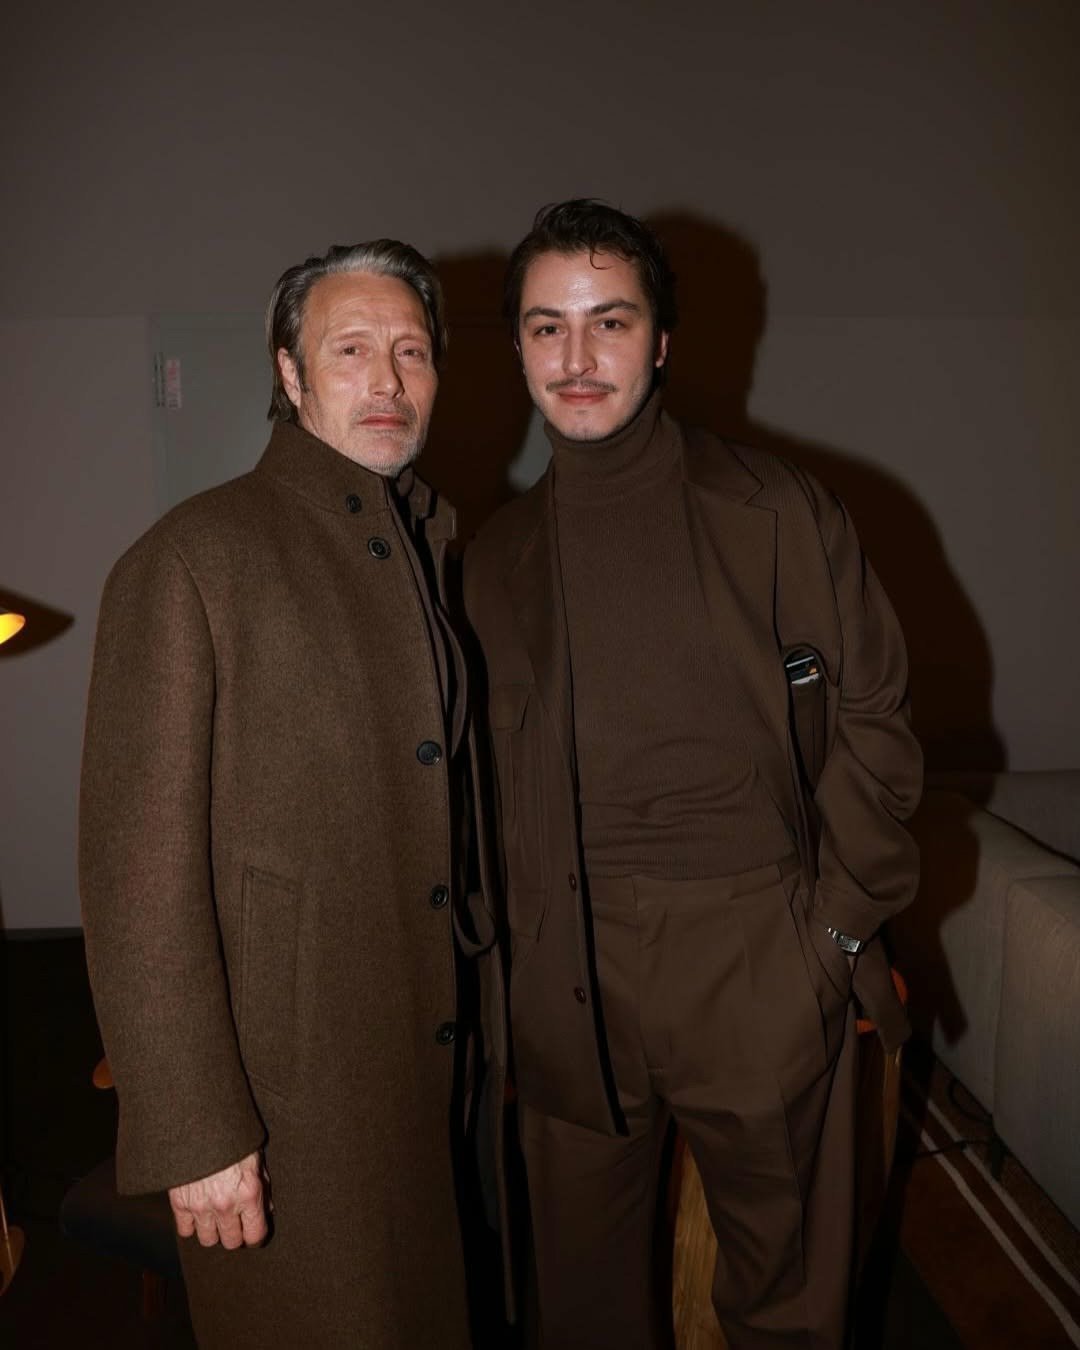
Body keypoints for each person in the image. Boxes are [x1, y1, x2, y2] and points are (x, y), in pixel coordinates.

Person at [462, 200, 922, 1348]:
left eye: (609, 322)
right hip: (566, 973)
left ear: (661, 341)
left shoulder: (780, 512)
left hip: (761, 952)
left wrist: (834, 932)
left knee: (789, 1309)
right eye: (547, 327)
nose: (576, 357)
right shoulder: (488, 560)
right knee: (578, 1311)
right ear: (517, 346)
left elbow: (876, 717)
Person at [80, 240, 506, 1348]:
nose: (388, 380)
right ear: (288, 371)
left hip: (429, 1067)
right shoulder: (194, 558)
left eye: (412, 351)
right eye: (351, 349)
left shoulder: (433, 544)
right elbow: (136, 881)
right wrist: (194, 1129)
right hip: (286, 1100)